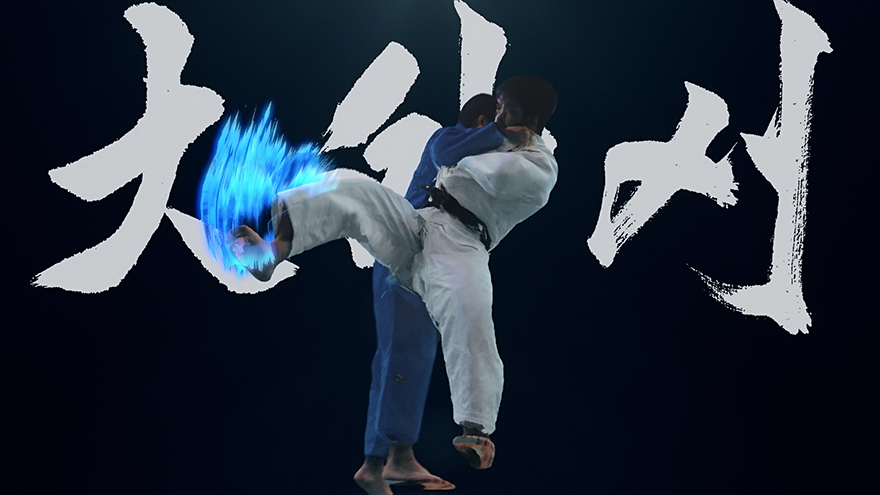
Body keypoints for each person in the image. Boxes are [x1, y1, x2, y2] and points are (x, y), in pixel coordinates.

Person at [228, 75, 558, 491]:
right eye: (494, 109)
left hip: (462, 245)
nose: (497, 116)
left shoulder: (539, 163)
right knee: (355, 189)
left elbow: (500, 179)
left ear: (530, 115)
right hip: (417, 223)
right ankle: (274, 250)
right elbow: (444, 150)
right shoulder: (473, 137)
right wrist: (494, 137)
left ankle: (475, 429)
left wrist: (487, 147)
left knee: (468, 316)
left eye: (505, 109)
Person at [358, 94, 503, 494]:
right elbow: (446, 150)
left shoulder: (473, 163)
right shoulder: (449, 140)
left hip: (419, 261)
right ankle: (395, 459)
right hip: (407, 259)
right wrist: (510, 129)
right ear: (481, 121)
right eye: (500, 119)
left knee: (397, 356)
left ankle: (377, 463)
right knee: (408, 351)